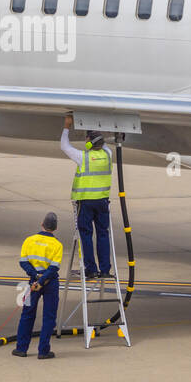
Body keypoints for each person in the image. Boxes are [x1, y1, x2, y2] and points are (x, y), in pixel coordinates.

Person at [62, 114, 112, 280]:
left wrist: (67, 126)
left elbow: (64, 146)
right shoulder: (108, 154)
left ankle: (90, 269)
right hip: (103, 201)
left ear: (90, 142)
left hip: (86, 202)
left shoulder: (83, 157)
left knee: (86, 235)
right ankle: (105, 269)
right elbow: (103, 145)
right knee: (103, 234)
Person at [14, 212, 64, 359]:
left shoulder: (29, 240)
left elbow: (23, 262)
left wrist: (35, 277)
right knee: (49, 316)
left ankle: (21, 349)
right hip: (50, 283)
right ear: (55, 228)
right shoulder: (57, 245)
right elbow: (54, 267)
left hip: (31, 282)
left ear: (42, 224)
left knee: (27, 315)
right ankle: (43, 351)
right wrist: (42, 280)